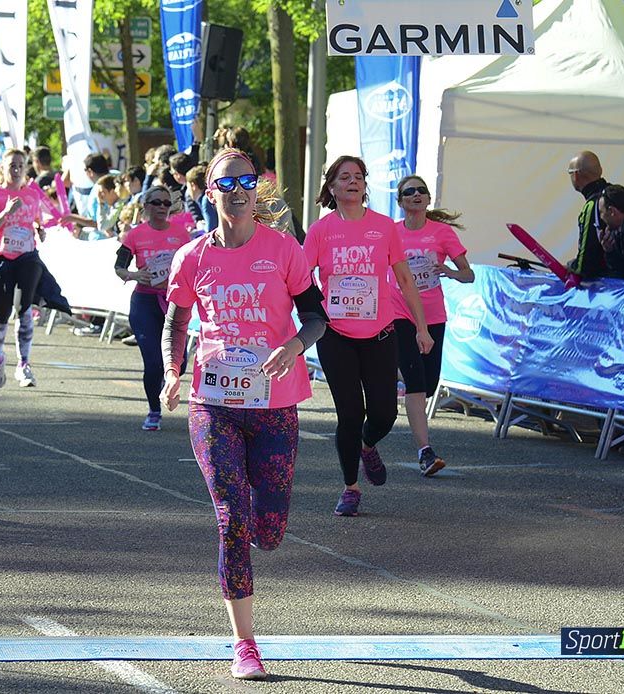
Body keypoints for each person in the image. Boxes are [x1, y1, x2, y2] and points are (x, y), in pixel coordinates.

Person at [160, 148, 328, 680]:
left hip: (275, 404)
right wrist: (171, 372)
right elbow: (175, 322)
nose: (237, 190)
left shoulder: (283, 249)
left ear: (258, 190)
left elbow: (316, 317)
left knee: (269, 529)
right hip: (213, 405)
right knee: (232, 518)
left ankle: (263, 526)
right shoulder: (192, 257)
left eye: (246, 181)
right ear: (210, 192)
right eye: (226, 182)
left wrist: (295, 346)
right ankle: (245, 644)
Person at [303, 157, 434, 516]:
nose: (353, 182)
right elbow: (301, 280)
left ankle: (367, 444)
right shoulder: (321, 230)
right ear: (331, 187)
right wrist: (303, 326)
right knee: (349, 413)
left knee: (383, 414)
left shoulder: (383, 228)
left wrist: (421, 327)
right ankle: (350, 487)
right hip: (336, 336)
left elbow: (405, 279)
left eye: (358, 176)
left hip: (379, 333)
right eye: (344, 177)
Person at [392, 175, 473, 476]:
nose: (416, 195)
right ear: (400, 202)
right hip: (399, 311)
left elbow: (469, 275)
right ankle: (425, 451)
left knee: (427, 382)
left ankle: (396, 371)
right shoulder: (391, 232)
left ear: (427, 200)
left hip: (433, 315)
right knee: (415, 380)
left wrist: (448, 271)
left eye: (421, 191)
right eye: (408, 192)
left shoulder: (441, 233)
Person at [114, 185, 192, 430]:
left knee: (180, 361)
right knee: (153, 361)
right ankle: (154, 411)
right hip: (145, 302)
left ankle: (166, 383)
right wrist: (136, 275)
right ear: (146, 206)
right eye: (156, 202)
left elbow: (192, 265)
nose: (161, 207)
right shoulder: (136, 235)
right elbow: (119, 268)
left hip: (174, 302)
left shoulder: (181, 234)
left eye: (166, 203)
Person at [0, 149, 47, 388]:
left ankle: (24, 365)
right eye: (11, 166)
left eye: (20, 165)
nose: (16, 170)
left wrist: (40, 229)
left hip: (26, 259)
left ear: (26, 168)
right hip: (0, 260)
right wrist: (5, 213)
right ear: (2, 168)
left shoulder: (32, 195)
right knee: (1, 315)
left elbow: (35, 220)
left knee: (25, 310)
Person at [565, 151, 610, 281]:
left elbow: (584, 264)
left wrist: (570, 266)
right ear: (600, 170)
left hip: (610, 286)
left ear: (576, 175)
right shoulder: (614, 193)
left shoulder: (592, 205)